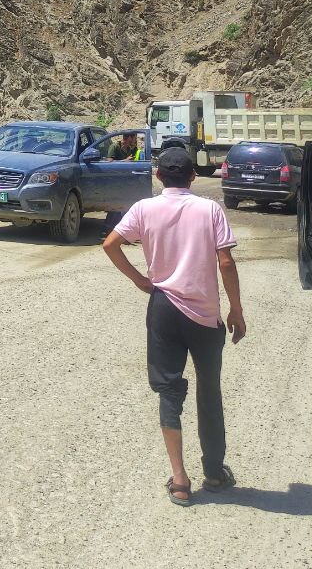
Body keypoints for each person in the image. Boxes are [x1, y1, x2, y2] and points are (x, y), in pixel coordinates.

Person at [102, 145, 246, 506]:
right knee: (209, 390)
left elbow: (111, 244)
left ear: (158, 176)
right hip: (204, 314)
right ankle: (214, 472)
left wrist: (139, 280)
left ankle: (180, 481)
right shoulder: (209, 209)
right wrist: (237, 310)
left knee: (169, 392)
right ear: (194, 176)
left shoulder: (144, 209)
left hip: (164, 308)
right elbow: (225, 263)